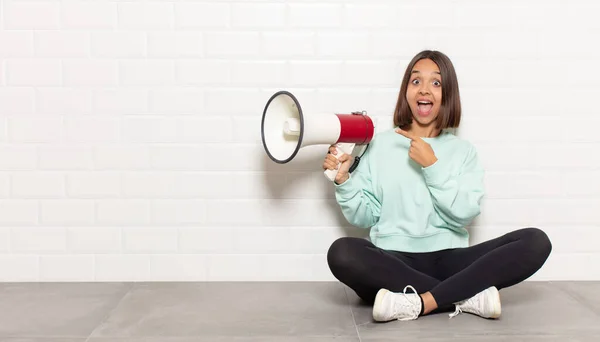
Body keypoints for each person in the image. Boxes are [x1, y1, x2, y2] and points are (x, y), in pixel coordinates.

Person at [323, 50, 552, 322]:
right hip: (393, 261)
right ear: (406, 90)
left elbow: (466, 211)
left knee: (536, 241)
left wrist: (432, 166)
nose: (425, 90)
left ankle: (419, 301)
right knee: (342, 252)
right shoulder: (380, 144)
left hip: (451, 260)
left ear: (448, 94)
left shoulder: (463, 151)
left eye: (436, 83)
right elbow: (365, 217)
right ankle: (464, 295)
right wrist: (344, 181)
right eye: (416, 81)